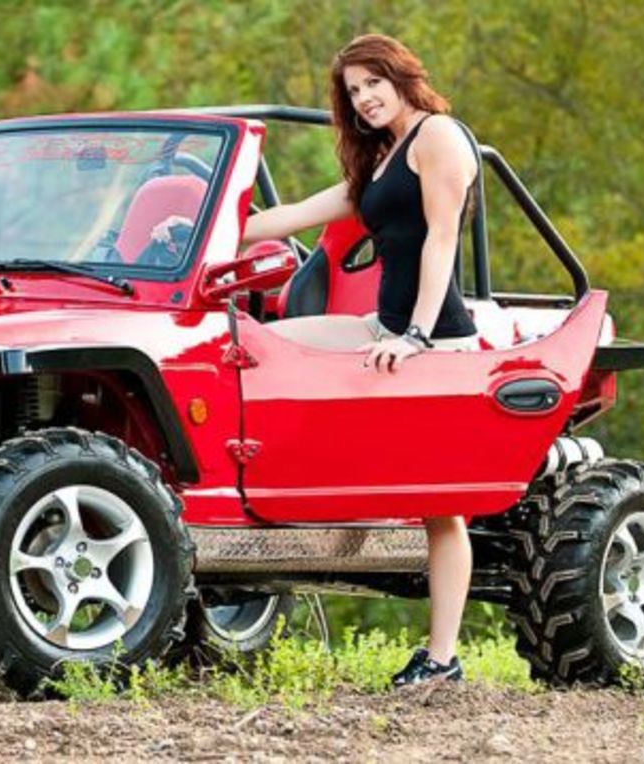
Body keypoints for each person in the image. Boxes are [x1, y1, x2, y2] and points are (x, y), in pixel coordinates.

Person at [158, 33, 480, 686]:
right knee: (271, 349)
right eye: (353, 91)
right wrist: (198, 235)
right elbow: (294, 215)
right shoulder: (383, 160)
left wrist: (416, 336)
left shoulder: (439, 137)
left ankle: (443, 659)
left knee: (440, 508)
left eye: (372, 83)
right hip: (380, 326)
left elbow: (442, 239)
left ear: (401, 75)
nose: (364, 99)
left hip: (435, 339)